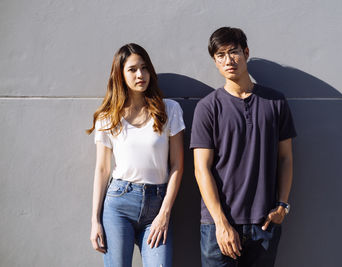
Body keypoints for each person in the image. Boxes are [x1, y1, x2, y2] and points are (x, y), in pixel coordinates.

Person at [190, 27, 297, 266]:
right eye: (220, 55)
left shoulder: (275, 102)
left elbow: (286, 158)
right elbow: (201, 169)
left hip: (264, 223)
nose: (228, 60)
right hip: (218, 226)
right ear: (215, 61)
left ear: (246, 52)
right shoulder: (208, 108)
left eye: (233, 52)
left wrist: (282, 205)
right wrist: (221, 223)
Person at [87, 43, 185, 267]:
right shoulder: (108, 116)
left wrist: (165, 212)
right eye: (132, 69)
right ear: (120, 74)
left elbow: (178, 165)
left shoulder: (169, 109)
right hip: (119, 203)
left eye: (144, 68)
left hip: (158, 205)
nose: (140, 74)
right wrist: (95, 221)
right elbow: (102, 169)